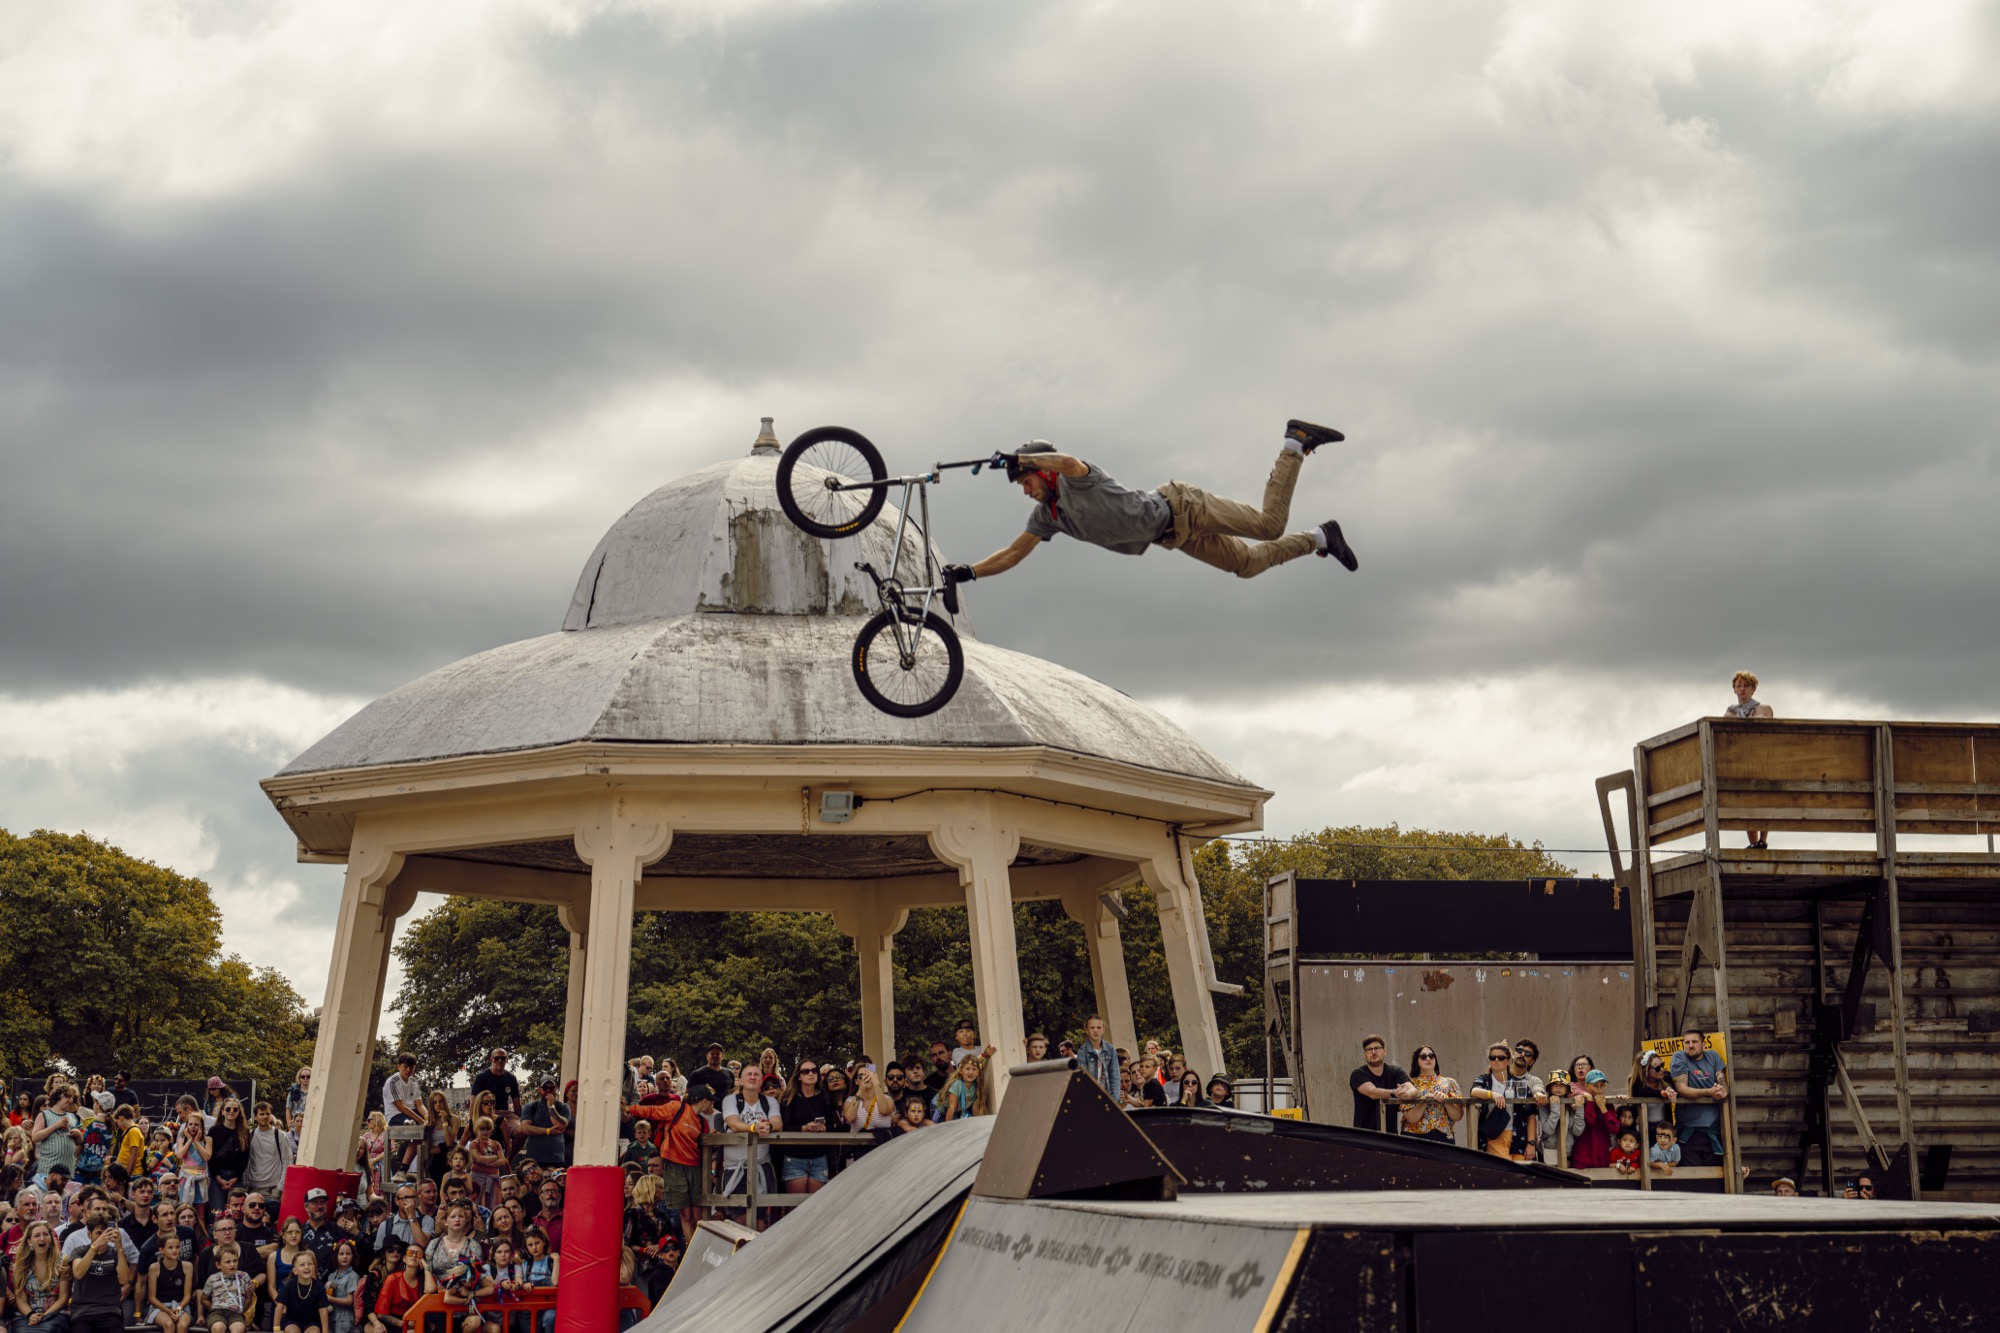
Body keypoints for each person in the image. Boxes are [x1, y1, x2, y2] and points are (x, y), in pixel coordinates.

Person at [943, 425, 1357, 597]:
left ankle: (1295, 443)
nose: (1026, 491)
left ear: (1039, 470)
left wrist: (1019, 457)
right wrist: (971, 572)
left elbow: (1067, 461)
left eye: (1026, 481)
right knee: (1247, 565)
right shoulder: (1048, 517)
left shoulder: (1075, 478)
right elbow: (1013, 554)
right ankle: (1321, 538)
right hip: (1173, 536)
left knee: (1269, 526)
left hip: (1184, 506)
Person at [718, 1067, 780, 1229]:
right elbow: (733, 1123)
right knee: (739, 1222)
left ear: (761, 1080)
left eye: (756, 1074)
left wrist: (769, 1126)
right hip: (734, 1168)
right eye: (749, 1074)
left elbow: (778, 1123)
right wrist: (754, 1128)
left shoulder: (770, 1102)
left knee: (760, 1223)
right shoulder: (731, 1100)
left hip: (761, 1166)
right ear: (741, 1080)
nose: (752, 1077)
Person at [60, 1197, 129, 1333]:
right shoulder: (80, 1251)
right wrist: (95, 1247)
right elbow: (78, 1273)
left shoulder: (115, 1252)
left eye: (105, 1233)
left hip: (110, 1312)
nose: (102, 1236)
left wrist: (120, 1248)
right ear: (89, 1234)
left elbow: (124, 1279)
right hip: (83, 1313)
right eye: (98, 1233)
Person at [1725, 671, 1777, 848]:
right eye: (1738, 686)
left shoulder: (1764, 708)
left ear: (1753, 689)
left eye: (1745, 686)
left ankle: (1763, 840)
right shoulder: (1731, 712)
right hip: (1742, 761)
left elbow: (1768, 723)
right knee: (1746, 800)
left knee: (1764, 799)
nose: (1742, 689)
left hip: (1762, 758)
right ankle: (1753, 843)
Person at [1668, 1029, 1728, 1167]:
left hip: (1714, 1130)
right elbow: (1682, 1088)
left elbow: (1723, 1083)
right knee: (1692, 1179)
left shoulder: (1713, 1056)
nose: (1690, 1045)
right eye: (1687, 1042)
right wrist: (1709, 1092)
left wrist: (1722, 1092)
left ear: (1703, 1043)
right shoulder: (1679, 1057)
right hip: (1688, 1131)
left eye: (1694, 1042)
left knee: (1714, 1177)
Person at [776, 1062, 834, 1196]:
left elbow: (832, 1126)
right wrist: (803, 1128)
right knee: (796, 1208)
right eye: (806, 1071)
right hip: (794, 1157)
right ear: (799, 1076)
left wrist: (823, 1128)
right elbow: (782, 1127)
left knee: (815, 1207)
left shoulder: (825, 1097)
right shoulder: (788, 1098)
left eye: (814, 1070)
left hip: (819, 1156)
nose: (811, 1074)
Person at [11, 1219, 70, 1333]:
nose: (42, 1238)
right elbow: (20, 1299)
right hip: (27, 1316)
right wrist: (31, 1315)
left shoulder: (63, 1261)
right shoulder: (20, 1265)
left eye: (45, 1234)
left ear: (51, 1239)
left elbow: (64, 1297)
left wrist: (44, 1315)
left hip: (54, 1314)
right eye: (37, 1235)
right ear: (29, 1241)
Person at [1399, 1046, 1463, 1144]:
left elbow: (1458, 1116)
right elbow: (1410, 1118)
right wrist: (1424, 1101)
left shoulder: (1449, 1082)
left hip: (1443, 1136)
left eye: (1431, 1056)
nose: (1428, 1059)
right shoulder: (1410, 1084)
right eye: (1423, 1057)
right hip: (1414, 1137)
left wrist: (1445, 1100)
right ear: (1417, 1061)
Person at [363, 1244, 429, 1333]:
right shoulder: (389, 1278)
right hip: (391, 1321)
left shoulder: (424, 1278)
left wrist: (426, 1267)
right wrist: (403, 1324)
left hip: (416, 1321)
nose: (414, 1256)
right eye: (410, 1253)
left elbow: (430, 1289)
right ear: (404, 1258)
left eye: (419, 1254)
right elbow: (376, 1310)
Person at [1349, 1036, 1408, 1133]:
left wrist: (1408, 1092)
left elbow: (1410, 1088)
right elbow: (1373, 1093)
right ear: (1364, 1054)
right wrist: (1395, 1092)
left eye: (1377, 1048)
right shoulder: (1358, 1074)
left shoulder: (1395, 1071)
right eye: (1369, 1049)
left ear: (1384, 1051)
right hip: (1364, 1137)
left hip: (1390, 1137)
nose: (1373, 1052)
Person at [1468, 1042, 1515, 1156]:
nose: (1496, 1060)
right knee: (1504, 1171)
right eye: (1493, 1057)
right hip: (1496, 1133)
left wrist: (1531, 1142)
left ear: (1509, 1061)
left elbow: (1529, 1113)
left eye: (1501, 1057)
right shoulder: (1485, 1079)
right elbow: (1474, 1091)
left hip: (1518, 1135)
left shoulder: (1517, 1081)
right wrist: (1492, 1094)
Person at [1503, 1040, 1546, 1162]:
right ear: (1513, 1054)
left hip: (1520, 1140)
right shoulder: (1498, 1075)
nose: (1522, 1055)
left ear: (1532, 1061)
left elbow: (1538, 1091)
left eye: (1528, 1054)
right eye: (1520, 1051)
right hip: (1497, 1137)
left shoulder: (1533, 1080)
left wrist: (1531, 1143)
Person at [31, 1089, 83, 1190]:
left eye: (73, 1098)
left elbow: (79, 1143)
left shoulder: (73, 1117)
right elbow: (35, 1137)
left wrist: (78, 1135)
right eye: (67, 1096)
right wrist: (55, 1126)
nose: (71, 1100)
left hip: (67, 1174)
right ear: (57, 1096)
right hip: (47, 1172)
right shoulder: (44, 1115)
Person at [199, 1244, 255, 1333]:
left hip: (236, 1313)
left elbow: (249, 1298)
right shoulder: (212, 1279)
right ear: (218, 1265)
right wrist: (213, 1307)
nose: (232, 1264)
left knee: (238, 1329)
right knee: (218, 1328)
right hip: (216, 1312)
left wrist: (241, 1310)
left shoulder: (244, 1276)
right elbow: (203, 1299)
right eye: (228, 1262)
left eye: (235, 1261)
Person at [149, 1231, 195, 1333]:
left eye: (177, 1247)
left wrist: (178, 1308)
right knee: (168, 1324)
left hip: (180, 1305)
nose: (175, 1250)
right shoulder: (154, 1267)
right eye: (170, 1247)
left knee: (182, 1325)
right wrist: (168, 1311)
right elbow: (151, 1298)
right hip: (160, 1306)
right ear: (161, 1250)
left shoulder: (187, 1266)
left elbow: (187, 1295)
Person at [1569, 1071, 1616, 1169]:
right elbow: (1590, 1121)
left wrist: (1603, 1108)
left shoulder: (1609, 1105)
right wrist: (1590, 1101)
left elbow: (1614, 1129)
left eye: (1602, 1085)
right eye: (1595, 1086)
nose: (1599, 1089)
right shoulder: (1583, 1103)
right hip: (1583, 1157)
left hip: (1602, 1157)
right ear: (1586, 1086)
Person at [273, 1248, 328, 1333]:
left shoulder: (319, 1287)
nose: (307, 1267)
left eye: (310, 1264)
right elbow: (279, 1307)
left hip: (312, 1322)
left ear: (314, 1267)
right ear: (295, 1271)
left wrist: (325, 1332)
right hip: (292, 1321)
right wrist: (276, 1329)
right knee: (293, 1331)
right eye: (302, 1265)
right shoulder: (289, 1285)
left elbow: (323, 1310)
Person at [515, 1086, 567, 1173]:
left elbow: (559, 1126)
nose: (548, 1091)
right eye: (545, 1088)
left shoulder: (563, 1107)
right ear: (539, 1090)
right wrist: (548, 1131)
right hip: (534, 1159)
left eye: (551, 1088)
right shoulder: (530, 1106)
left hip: (556, 1160)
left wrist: (551, 1107)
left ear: (556, 1089)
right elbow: (525, 1129)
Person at [1073, 1017, 1121, 1099]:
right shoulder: (1082, 1051)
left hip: (1108, 1094)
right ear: (1086, 1030)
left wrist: (1115, 1099)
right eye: (1092, 1027)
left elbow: (1115, 1075)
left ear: (1103, 1030)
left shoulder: (1110, 1049)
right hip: (1090, 1096)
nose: (1095, 1030)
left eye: (1099, 1027)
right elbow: (1083, 1078)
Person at [322, 1243, 361, 1333]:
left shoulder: (353, 1277)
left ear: (353, 1256)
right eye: (341, 1254)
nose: (345, 1257)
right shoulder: (331, 1276)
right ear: (336, 1256)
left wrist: (330, 1298)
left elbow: (350, 1301)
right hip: (331, 1317)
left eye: (348, 1254)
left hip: (345, 1319)